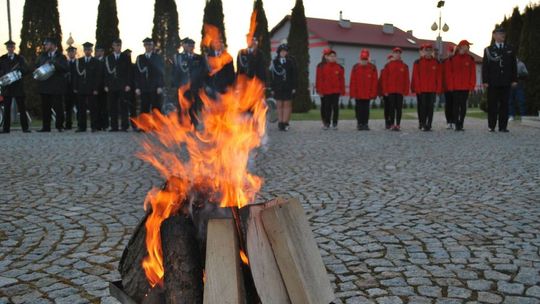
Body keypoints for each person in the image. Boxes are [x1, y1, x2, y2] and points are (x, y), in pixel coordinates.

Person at [482, 27, 517, 132]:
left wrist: (514, 79)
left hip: (506, 82)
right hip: (493, 82)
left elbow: (513, 66)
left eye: (503, 33)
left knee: (504, 105)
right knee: (492, 104)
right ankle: (491, 126)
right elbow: (485, 67)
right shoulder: (488, 50)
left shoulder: (510, 48)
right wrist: (485, 81)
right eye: (499, 33)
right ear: (494, 35)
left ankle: (503, 126)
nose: (502, 35)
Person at [172, 38, 208, 126]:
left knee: (194, 105)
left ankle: (194, 123)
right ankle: (181, 124)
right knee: (182, 105)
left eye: (192, 46)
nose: (191, 47)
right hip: (182, 86)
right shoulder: (178, 57)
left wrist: (201, 85)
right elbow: (175, 71)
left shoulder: (199, 58)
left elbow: (203, 71)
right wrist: (175, 84)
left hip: (194, 86)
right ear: (184, 46)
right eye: (189, 45)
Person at [35, 38, 68, 132]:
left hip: (56, 86)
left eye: (47, 44)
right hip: (45, 86)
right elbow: (36, 66)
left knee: (58, 107)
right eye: (45, 45)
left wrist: (54, 63)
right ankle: (46, 127)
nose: (45, 46)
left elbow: (65, 68)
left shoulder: (61, 57)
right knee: (45, 107)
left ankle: (59, 126)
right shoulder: (42, 56)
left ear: (53, 45)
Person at [0, 40, 30, 133]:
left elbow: (27, 69)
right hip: (7, 87)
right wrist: (4, 74)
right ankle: (6, 129)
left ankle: (25, 128)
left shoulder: (20, 58)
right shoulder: (2, 58)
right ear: (7, 48)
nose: (10, 48)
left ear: (14, 48)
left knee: (22, 108)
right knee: (6, 109)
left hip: (18, 86)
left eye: (12, 47)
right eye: (9, 47)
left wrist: (19, 70)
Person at [412, 43, 442, 132]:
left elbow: (439, 77)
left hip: (432, 89)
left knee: (430, 107)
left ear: (432, 52)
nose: (428, 53)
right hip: (422, 89)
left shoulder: (436, 62)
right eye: (426, 51)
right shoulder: (418, 62)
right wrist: (417, 88)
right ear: (424, 52)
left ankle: (429, 124)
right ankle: (423, 123)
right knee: (423, 107)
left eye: (430, 51)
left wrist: (438, 89)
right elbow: (416, 76)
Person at [104, 38, 132, 131]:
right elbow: (106, 73)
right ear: (113, 46)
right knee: (112, 107)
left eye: (119, 45)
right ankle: (114, 126)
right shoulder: (108, 58)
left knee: (123, 106)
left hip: (123, 85)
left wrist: (128, 84)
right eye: (116, 45)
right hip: (112, 85)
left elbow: (129, 72)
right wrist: (106, 85)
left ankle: (124, 126)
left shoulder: (126, 57)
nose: (118, 47)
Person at [74, 42, 102, 132]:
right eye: (86, 50)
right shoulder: (79, 61)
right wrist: (75, 87)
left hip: (92, 88)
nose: (87, 51)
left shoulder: (96, 62)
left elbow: (98, 77)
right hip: (81, 88)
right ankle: (82, 126)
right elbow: (75, 76)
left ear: (91, 50)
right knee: (81, 109)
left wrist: (96, 88)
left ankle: (94, 126)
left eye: (89, 50)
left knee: (93, 108)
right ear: (84, 50)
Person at [450, 40, 476, 131]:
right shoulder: (453, 59)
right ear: (461, 46)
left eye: (468, 46)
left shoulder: (470, 59)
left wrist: (472, 86)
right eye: (467, 46)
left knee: (463, 106)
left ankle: (461, 123)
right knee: (456, 106)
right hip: (456, 87)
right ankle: (456, 123)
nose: (468, 48)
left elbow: (473, 74)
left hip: (465, 87)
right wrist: (451, 86)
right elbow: (450, 73)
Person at [316, 48, 345, 130]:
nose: (332, 58)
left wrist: (342, 90)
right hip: (326, 91)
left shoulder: (339, 67)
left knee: (335, 107)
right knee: (327, 107)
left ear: (336, 58)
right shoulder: (322, 67)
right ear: (327, 57)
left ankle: (335, 123)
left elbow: (342, 80)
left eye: (334, 56)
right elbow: (320, 80)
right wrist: (320, 90)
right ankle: (327, 123)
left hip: (336, 91)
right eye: (331, 56)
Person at [270, 43, 297, 131]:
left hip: (288, 86)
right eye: (281, 51)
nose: (283, 53)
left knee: (287, 105)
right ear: (278, 52)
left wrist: (294, 87)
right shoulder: (274, 62)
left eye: (285, 51)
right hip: (278, 87)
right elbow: (272, 76)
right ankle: (280, 122)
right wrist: (272, 88)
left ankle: (285, 122)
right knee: (279, 105)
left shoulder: (290, 61)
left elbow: (294, 75)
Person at [382, 47, 410, 131]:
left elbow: (406, 79)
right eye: (396, 52)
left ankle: (398, 124)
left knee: (399, 108)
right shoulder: (388, 65)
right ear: (393, 54)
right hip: (391, 90)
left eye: (399, 53)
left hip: (400, 91)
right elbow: (385, 79)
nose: (397, 54)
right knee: (391, 108)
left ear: (400, 55)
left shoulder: (404, 66)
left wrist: (406, 90)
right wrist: (385, 90)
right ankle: (392, 124)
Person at [349, 49, 377, 131]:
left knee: (366, 109)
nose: (364, 61)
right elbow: (352, 81)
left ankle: (365, 124)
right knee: (358, 109)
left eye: (365, 59)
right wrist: (353, 93)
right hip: (358, 94)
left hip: (367, 94)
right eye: (362, 59)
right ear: (359, 59)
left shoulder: (372, 68)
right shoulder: (355, 67)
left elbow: (374, 82)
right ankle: (359, 123)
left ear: (368, 59)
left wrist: (373, 93)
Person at [135, 38, 165, 114]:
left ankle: (156, 125)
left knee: (156, 108)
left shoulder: (157, 57)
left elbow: (160, 73)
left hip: (154, 87)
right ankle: (145, 125)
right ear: (144, 46)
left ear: (152, 46)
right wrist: (137, 87)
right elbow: (137, 74)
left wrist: (160, 86)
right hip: (143, 87)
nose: (148, 47)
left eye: (150, 45)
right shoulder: (140, 58)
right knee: (144, 108)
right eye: (146, 45)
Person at [123, 48, 138, 130]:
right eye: (127, 55)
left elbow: (135, 77)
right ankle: (125, 125)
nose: (129, 56)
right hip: (124, 89)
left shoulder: (133, 66)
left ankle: (134, 125)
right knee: (124, 108)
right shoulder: (122, 67)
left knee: (133, 109)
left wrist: (134, 87)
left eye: (130, 55)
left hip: (132, 90)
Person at [95, 45, 108, 131]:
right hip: (96, 88)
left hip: (104, 87)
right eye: (97, 51)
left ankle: (105, 125)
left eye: (101, 51)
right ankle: (98, 125)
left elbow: (107, 75)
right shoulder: (94, 61)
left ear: (103, 52)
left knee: (105, 107)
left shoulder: (106, 61)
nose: (99, 53)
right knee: (97, 107)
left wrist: (106, 85)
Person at [64, 46, 78, 130]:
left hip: (76, 88)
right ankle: (68, 124)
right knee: (68, 108)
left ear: (75, 53)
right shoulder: (66, 63)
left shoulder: (78, 62)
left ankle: (80, 124)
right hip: (67, 88)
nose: (71, 53)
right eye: (69, 52)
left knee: (79, 107)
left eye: (72, 52)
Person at [442, 45, 455, 130]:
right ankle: (448, 121)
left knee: (455, 105)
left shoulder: (456, 61)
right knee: (448, 105)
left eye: (452, 51)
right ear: (447, 52)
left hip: (455, 87)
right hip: (447, 87)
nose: (451, 53)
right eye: (449, 51)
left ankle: (453, 121)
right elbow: (442, 74)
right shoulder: (444, 62)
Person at [380, 54, 393, 129]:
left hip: (393, 92)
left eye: (391, 59)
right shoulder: (383, 70)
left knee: (392, 107)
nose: (390, 61)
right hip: (385, 92)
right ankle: (386, 121)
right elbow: (381, 82)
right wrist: (381, 93)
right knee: (387, 108)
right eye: (389, 59)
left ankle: (391, 121)